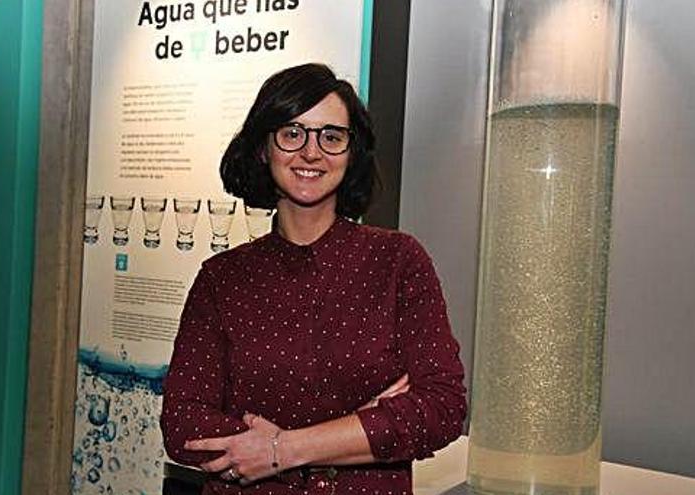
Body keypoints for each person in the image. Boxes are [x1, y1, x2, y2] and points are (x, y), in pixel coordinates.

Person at [161, 63, 466, 494]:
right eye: (292, 133)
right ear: (264, 148)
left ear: (351, 151)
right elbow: (183, 423)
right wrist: (358, 429)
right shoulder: (222, 279)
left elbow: (442, 409)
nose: (311, 152)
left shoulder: (398, 262)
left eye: (331, 136)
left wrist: (284, 449)